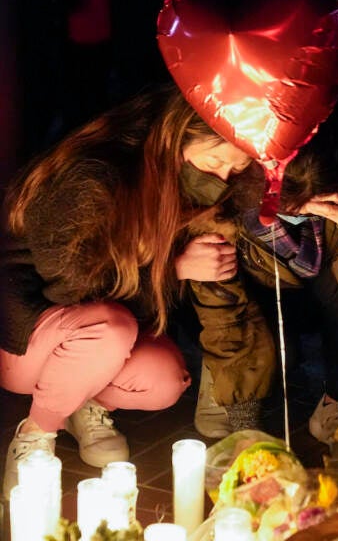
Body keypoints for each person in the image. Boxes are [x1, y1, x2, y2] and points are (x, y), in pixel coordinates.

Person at [0, 82, 250, 499]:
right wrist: (174, 268)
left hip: (91, 335)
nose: (223, 178)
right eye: (214, 162)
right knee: (110, 328)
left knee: (166, 380)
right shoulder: (95, 175)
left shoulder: (180, 182)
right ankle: (36, 436)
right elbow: (71, 287)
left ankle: (85, 404)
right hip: (25, 339)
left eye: (236, 170)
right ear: (176, 136)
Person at [178, 106, 338, 444]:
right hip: (252, 298)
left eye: (308, 210)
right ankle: (221, 375)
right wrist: (245, 422)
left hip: (318, 294)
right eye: (284, 209)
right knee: (280, 356)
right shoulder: (223, 197)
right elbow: (221, 306)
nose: (293, 218)